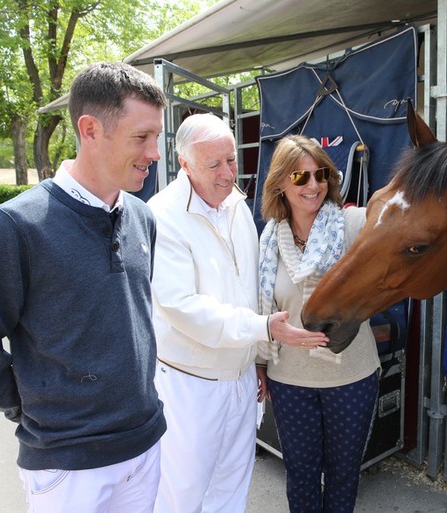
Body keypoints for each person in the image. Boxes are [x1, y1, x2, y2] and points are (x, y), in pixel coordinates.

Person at [0, 61, 168, 513]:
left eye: (157, 137)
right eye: (141, 137)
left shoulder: (143, 218)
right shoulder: (14, 226)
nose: (156, 152)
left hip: (145, 449)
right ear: (90, 129)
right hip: (68, 469)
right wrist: (43, 408)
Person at [147, 113, 329, 513]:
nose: (229, 174)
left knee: (232, 488)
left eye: (231, 160)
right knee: (183, 494)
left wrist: (257, 360)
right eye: (215, 164)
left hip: (242, 379)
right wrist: (262, 329)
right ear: (185, 163)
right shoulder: (162, 215)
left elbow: (251, 289)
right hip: (192, 384)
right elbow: (181, 306)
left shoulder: (235, 205)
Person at [257, 134, 382, 513]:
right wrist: (261, 363)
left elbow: (390, 212)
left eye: (321, 175)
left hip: (352, 377)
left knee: (344, 476)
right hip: (290, 379)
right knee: (301, 474)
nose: (313, 185)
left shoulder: (352, 225)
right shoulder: (268, 240)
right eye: (300, 177)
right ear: (280, 183)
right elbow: (260, 309)